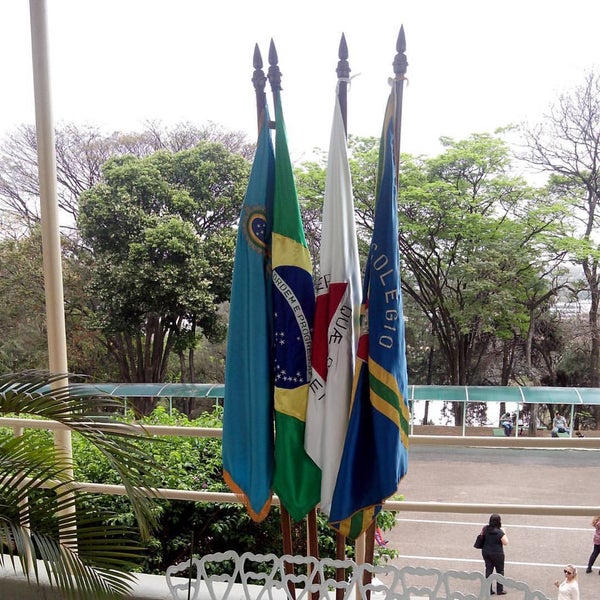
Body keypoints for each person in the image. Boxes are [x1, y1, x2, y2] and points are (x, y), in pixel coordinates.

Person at [480, 513, 508, 595]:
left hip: (486, 552)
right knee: (500, 571)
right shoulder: (499, 532)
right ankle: (500, 590)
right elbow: (505, 542)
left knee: (488, 570)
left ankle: (488, 589)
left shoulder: (485, 529)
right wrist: (504, 532)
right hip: (497, 553)